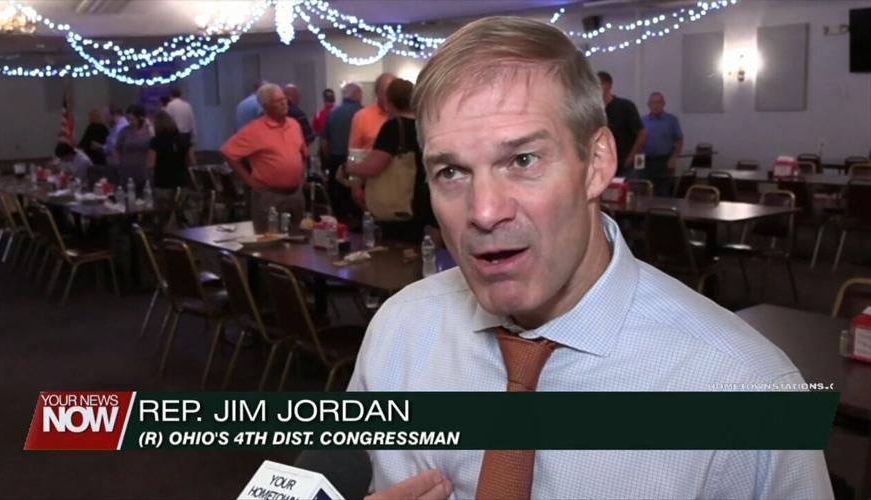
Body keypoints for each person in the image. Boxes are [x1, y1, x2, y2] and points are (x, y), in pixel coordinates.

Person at [348, 16, 832, 500]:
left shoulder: (749, 393)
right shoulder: (399, 333)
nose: (485, 211)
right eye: (452, 171)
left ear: (597, 163)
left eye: (522, 160)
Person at [336, 79, 436, 243]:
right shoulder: (423, 125)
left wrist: (347, 168)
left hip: (399, 204)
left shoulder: (393, 127)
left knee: (394, 253)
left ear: (389, 102)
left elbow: (373, 167)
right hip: (423, 200)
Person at [220, 83, 307, 231]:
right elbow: (227, 151)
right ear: (266, 106)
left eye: (284, 99)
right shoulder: (255, 129)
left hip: (295, 194)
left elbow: (303, 152)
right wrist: (249, 180)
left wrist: (301, 176)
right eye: (278, 101)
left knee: (298, 240)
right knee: (270, 241)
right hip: (270, 196)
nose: (284, 103)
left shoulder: (294, 125)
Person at [321, 83, 363, 222]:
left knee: (338, 207)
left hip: (335, 161)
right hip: (355, 165)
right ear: (356, 94)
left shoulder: (332, 113)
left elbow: (324, 141)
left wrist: (330, 159)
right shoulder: (362, 113)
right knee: (356, 207)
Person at [597, 71, 645, 178]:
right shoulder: (595, 111)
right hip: (605, 165)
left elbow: (641, 134)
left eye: (598, 84)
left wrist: (631, 157)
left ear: (608, 85)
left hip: (626, 163)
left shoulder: (625, 106)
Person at [641, 91, 683, 196]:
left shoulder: (671, 120)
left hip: (665, 161)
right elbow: (638, 142)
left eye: (658, 102)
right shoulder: (642, 121)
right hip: (647, 162)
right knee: (645, 191)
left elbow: (679, 140)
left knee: (663, 193)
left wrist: (674, 158)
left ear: (663, 104)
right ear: (648, 105)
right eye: (653, 103)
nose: (655, 105)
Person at [147, 111, 193, 200]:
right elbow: (191, 161)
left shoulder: (155, 141)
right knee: (181, 210)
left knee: (164, 210)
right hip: (182, 181)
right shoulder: (184, 139)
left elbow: (151, 164)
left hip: (163, 182)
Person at [348, 73, 395, 151]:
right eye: (385, 92)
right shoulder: (362, 116)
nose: (389, 97)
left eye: (393, 92)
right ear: (377, 92)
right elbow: (354, 153)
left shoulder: (404, 116)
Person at [114, 105, 153, 192]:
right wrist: (118, 163)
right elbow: (117, 148)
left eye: (132, 119)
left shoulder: (149, 131)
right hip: (126, 169)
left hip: (143, 169)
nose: (130, 122)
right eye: (128, 119)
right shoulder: (125, 131)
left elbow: (152, 149)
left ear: (140, 118)